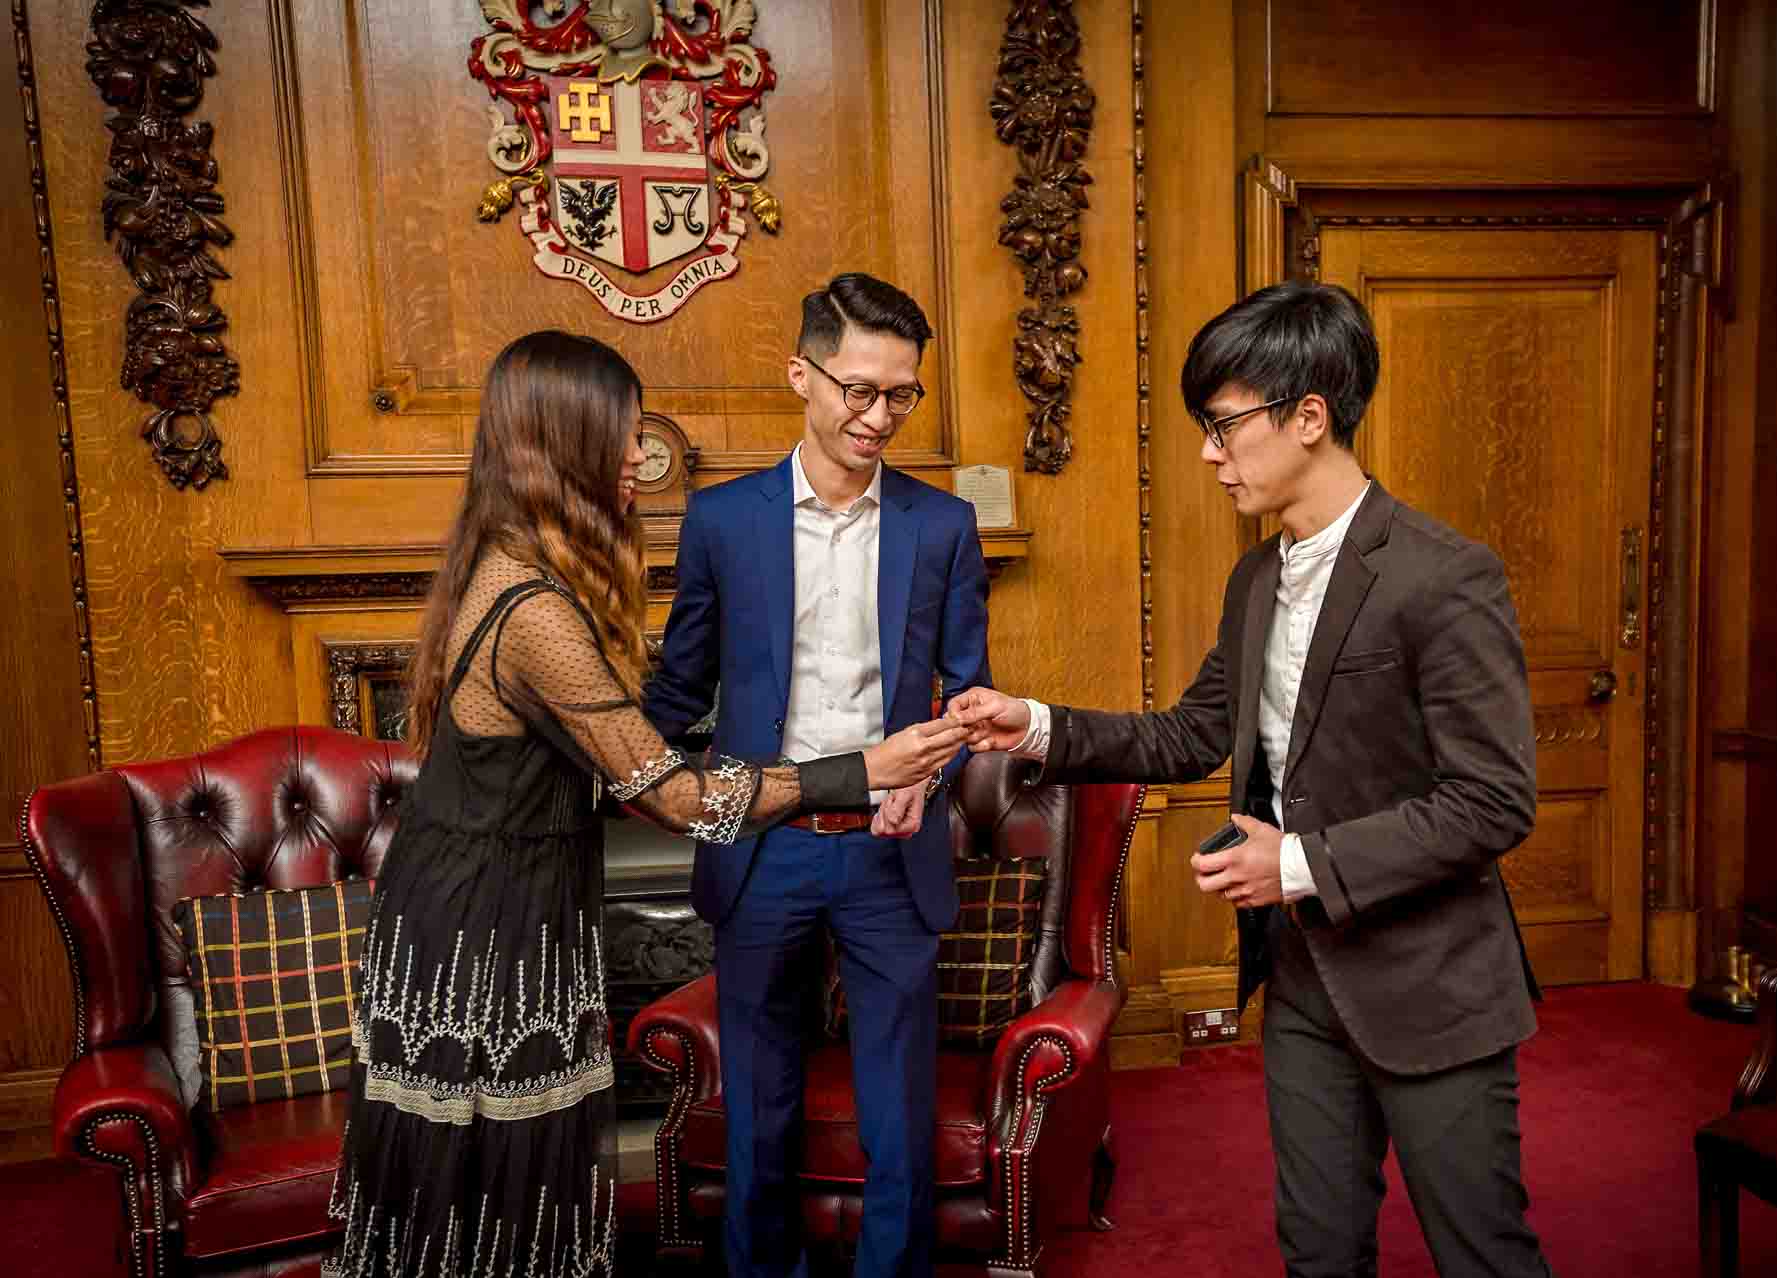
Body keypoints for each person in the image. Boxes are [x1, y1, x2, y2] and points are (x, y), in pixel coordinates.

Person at [323, 330, 967, 1278]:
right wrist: (861, 770)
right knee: (487, 1187)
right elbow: (674, 796)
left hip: (502, 900)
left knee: (496, 1187)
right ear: (565, 444)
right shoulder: (534, 608)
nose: (640, 455)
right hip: (483, 921)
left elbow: (622, 748)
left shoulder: (507, 569)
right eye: (622, 434)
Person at [949, 282, 1552, 1278]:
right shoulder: (1257, 580)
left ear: (1309, 416)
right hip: (1304, 978)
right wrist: (1037, 726)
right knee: (1316, 1249)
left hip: (1433, 981)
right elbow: (1190, 735)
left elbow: (1493, 799)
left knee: (1482, 1254)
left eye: (1224, 425)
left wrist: (1303, 861)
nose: (1207, 453)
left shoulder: (1445, 575)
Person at [644, 273, 992, 1278]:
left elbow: (969, 696)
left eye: (900, 396)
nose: (877, 417)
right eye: (856, 389)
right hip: (763, 847)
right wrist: (608, 764)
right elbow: (678, 691)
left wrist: (933, 771)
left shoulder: (943, 526)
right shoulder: (721, 523)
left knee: (898, 1111)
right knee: (757, 1104)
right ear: (801, 374)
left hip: (891, 852)